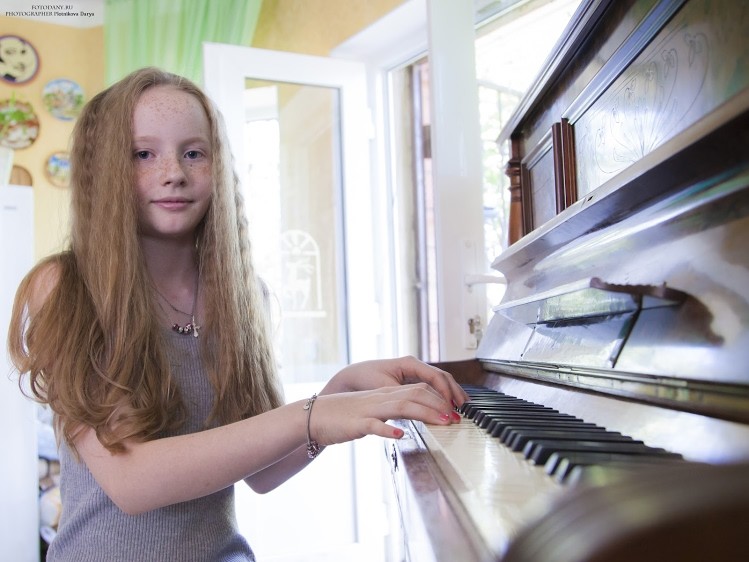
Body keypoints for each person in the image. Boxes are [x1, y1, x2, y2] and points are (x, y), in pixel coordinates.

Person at [7, 67, 468, 561]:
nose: (174, 172)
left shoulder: (244, 296)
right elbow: (132, 480)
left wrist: (342, 390)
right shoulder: (65, 287)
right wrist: (314, 414)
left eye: (194, 153)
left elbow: (264, 474)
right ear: (103, 169)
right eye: (143, 154)